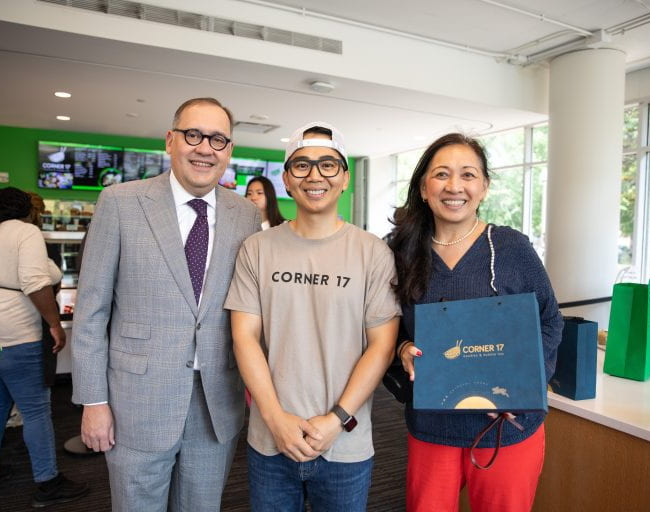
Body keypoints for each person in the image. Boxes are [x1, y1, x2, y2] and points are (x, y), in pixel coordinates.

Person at [71, 97, 262, 512]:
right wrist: (93, 402)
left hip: (216, 404)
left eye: (218, 139)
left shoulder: (246, 214)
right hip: (135, 402)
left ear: (229, 150)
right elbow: (91, 313)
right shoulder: (120, 202)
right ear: (171, 140)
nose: (205, 148)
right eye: (194, 135)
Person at [226, 122, 401, 511]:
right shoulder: (256, 249)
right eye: (302, 166)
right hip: (270, 440)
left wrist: (337, 419)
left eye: (328, 165)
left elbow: (382, 345)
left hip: (345, 443)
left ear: (344, 178)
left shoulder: (372, 253)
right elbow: (245, 338)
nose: (315, 175)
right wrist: (275, 418)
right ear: (287, 180)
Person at [387, 133, 563, 512]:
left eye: (468, 175)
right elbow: (385, 326)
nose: (454, 186)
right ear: (423, 187)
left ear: (483, 186)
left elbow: (549, 320)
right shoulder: (401, 252)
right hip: (433, 425)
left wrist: (527, 387)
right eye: (441, 175)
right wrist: (401, 348)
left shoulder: (511, 248)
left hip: (505, 427)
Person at [0, 187, 88, 507]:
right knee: (36, 410)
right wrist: (54, 323)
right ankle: (47, 482)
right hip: (18, 333)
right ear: (24, 211)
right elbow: (34, 281)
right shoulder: (26, 232)